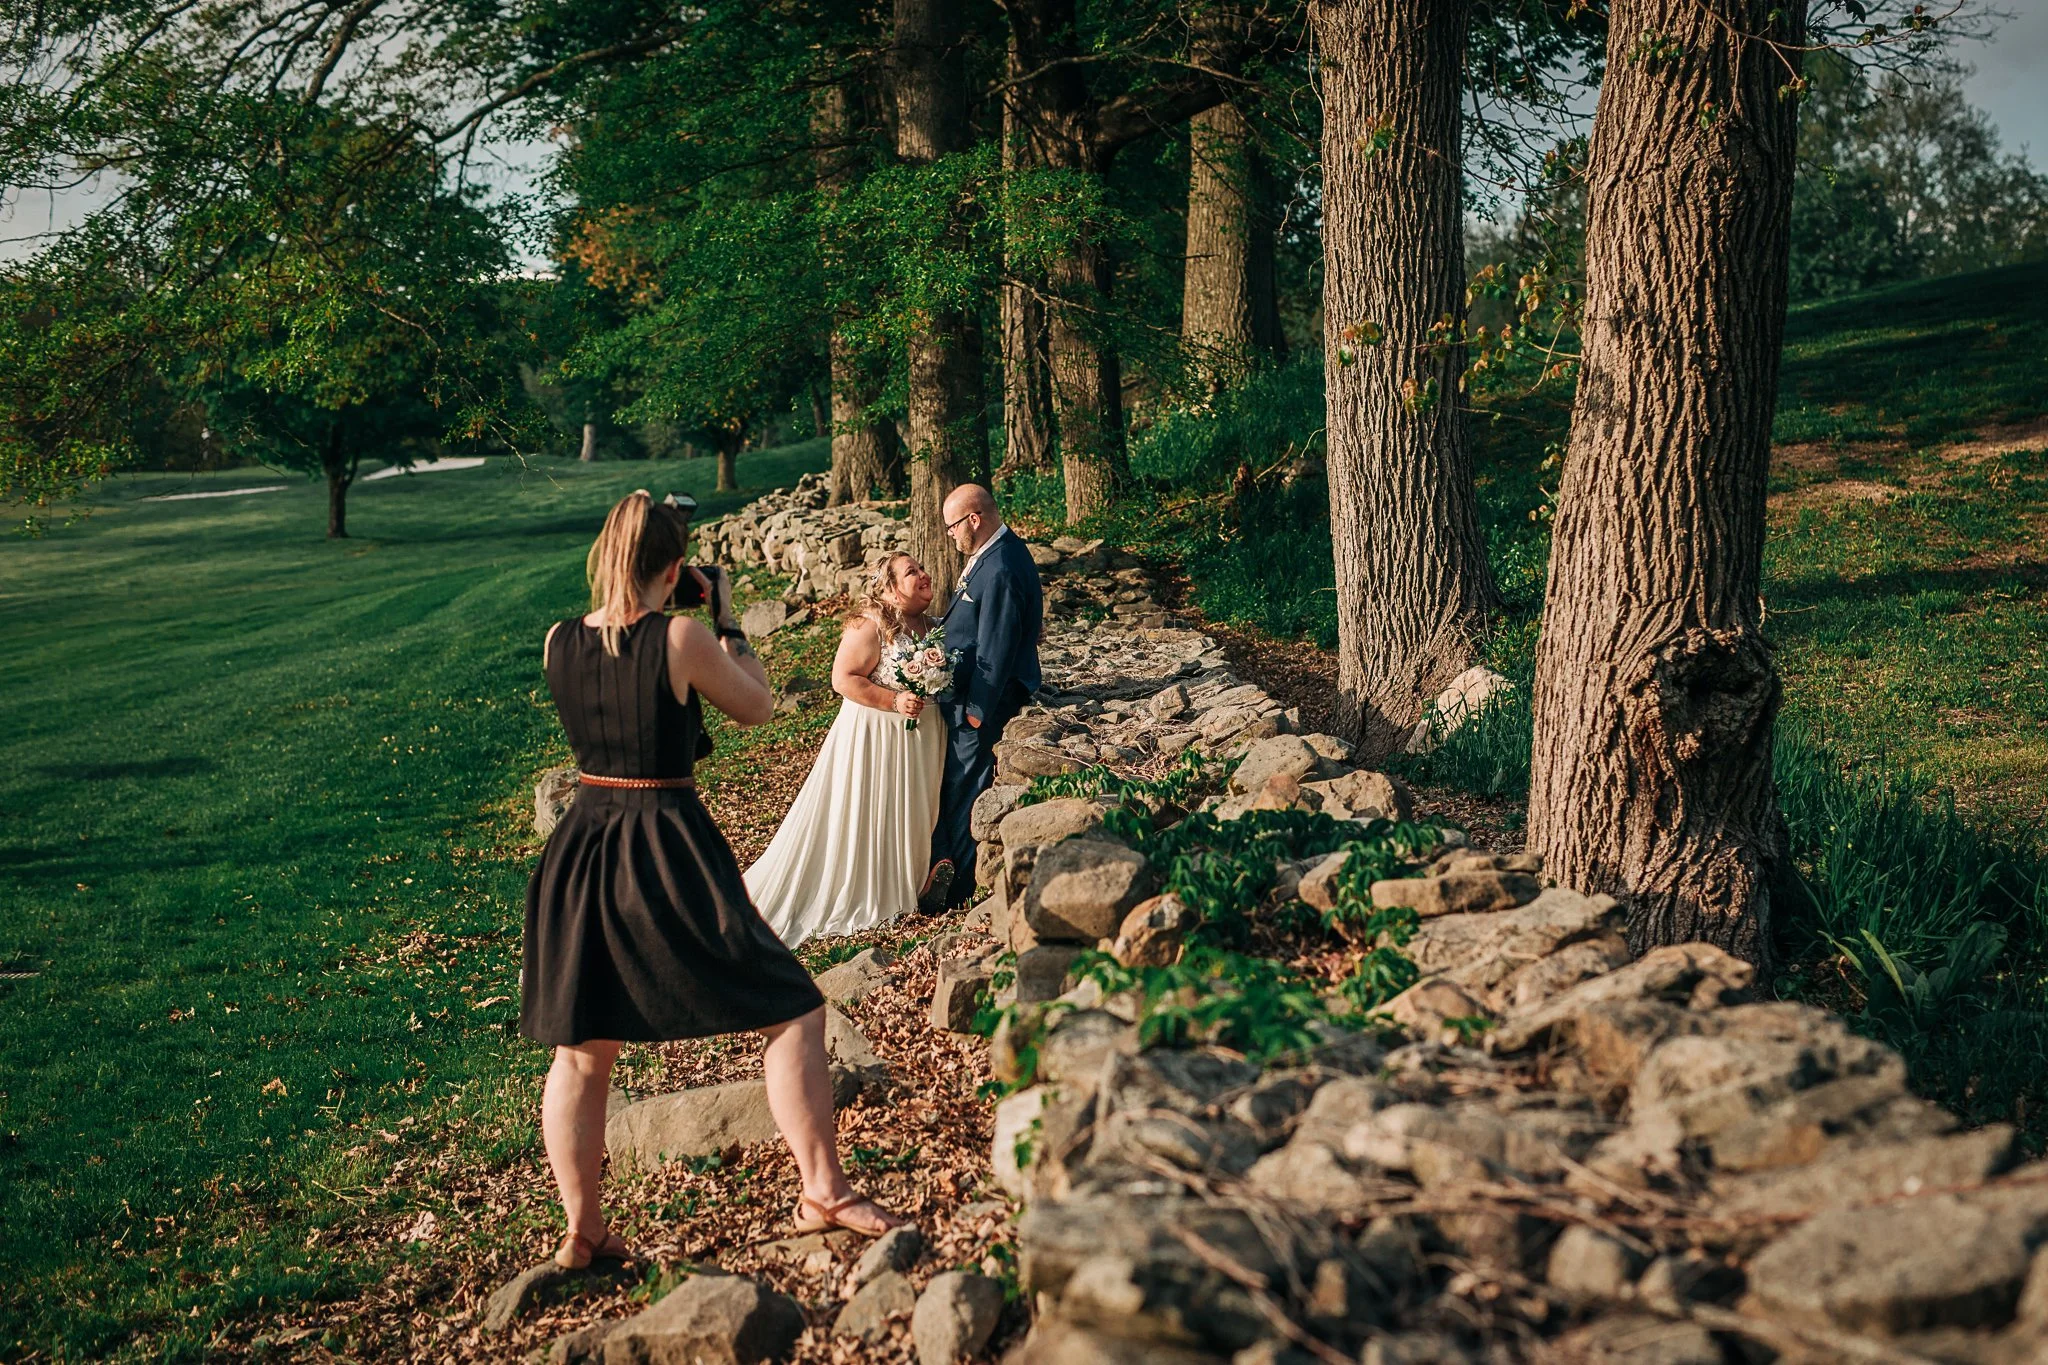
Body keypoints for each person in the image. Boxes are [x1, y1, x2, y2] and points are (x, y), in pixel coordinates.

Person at [520, 491, 904, 1271]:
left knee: (582, 1052)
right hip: (663, 843)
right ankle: (821, 1188)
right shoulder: (682, 637)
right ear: (673, 568)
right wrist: (728, 618)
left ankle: (581, 1229)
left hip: (582, 849)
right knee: (793, 1009)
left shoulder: (558, 640)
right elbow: (758, 706)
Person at [744, 553, 949, 946]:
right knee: (872, 810)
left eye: (922, 567)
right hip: (875, 739)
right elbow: (842, 678)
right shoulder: (870, 625)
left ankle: (908, 884)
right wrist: (893, 701)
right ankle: (868, 892)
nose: (924, 575)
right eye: (912, 572)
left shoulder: (933, 625)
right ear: (889, 588)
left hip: (921, 742)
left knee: (911, 812)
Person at [925, 483, 1043, 911]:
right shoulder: (992, 555)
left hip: (983, 704)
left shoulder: (1002, 566)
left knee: (963, 788)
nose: (950, 535)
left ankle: (957, 892)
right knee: (955, 785)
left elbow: (997, 645)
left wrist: (975, 713)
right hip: (968, 695)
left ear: (973, 519)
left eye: (952, 526)